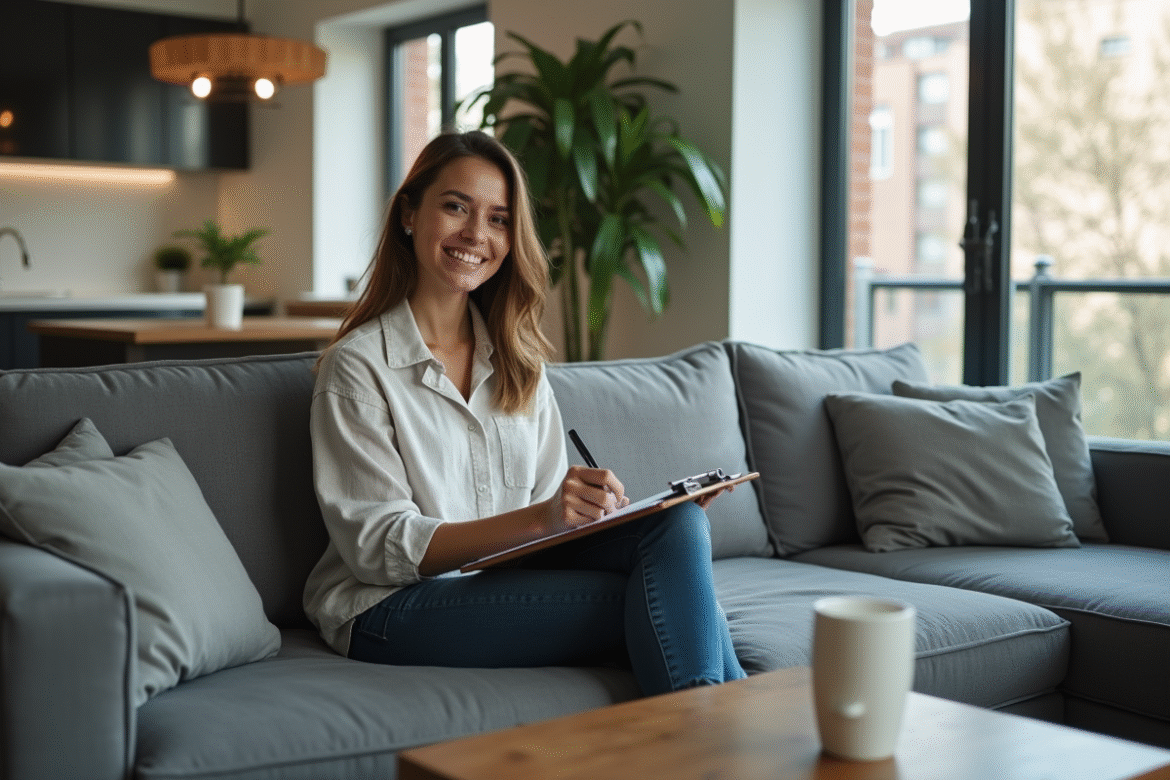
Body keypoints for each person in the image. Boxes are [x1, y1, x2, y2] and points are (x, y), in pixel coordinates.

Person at [303, 130, 746, 695]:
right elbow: (377, 548)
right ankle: (722, 735)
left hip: (496, 582)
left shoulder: (519, 364)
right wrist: (543, 518)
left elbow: (546, 534)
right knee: (660, 602)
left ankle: (714, 734)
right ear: (410, 215)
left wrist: (605, 514)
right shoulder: (357, 368)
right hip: (387, 608)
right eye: (456, 206)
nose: (475, 234)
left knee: (677, 524)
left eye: (497, 219)